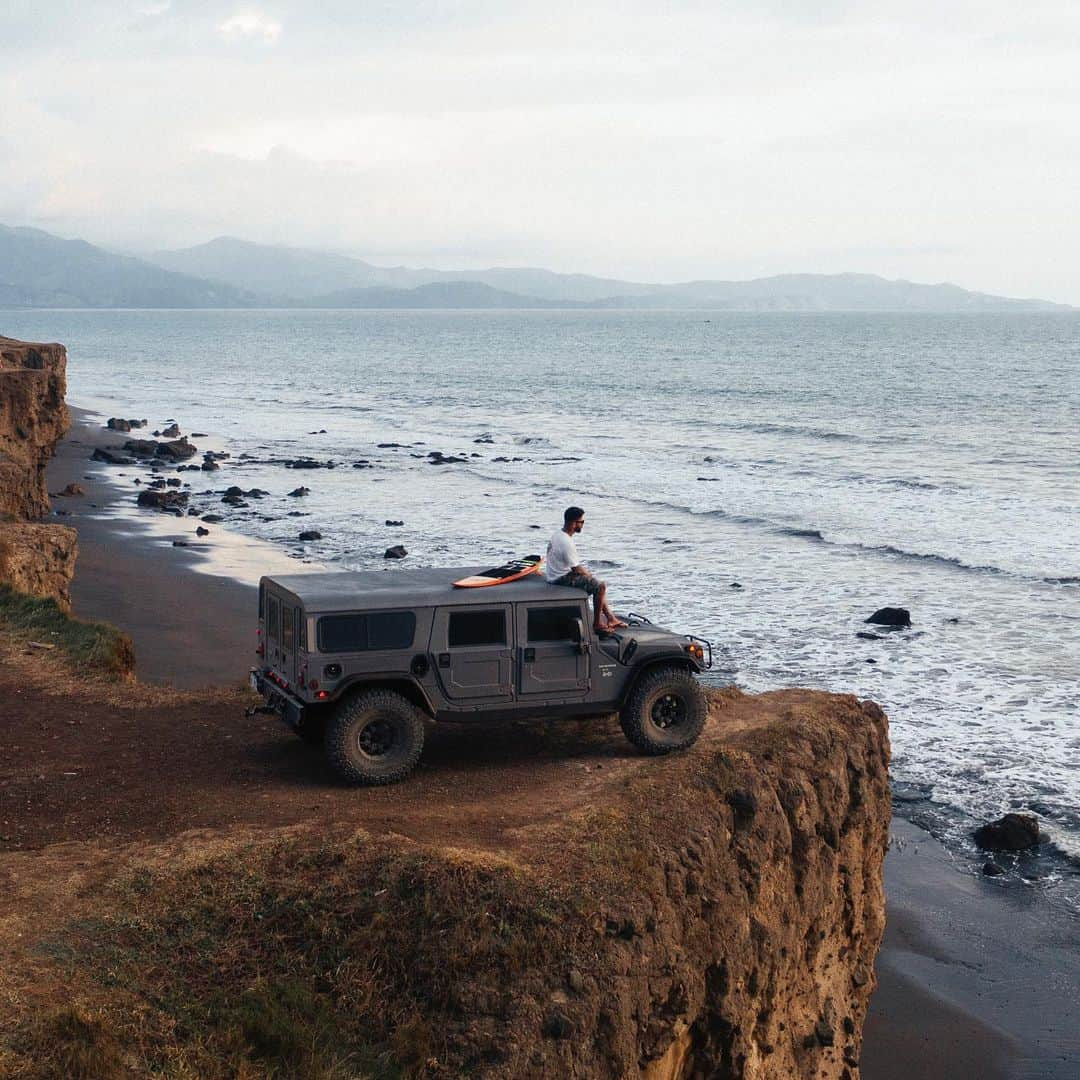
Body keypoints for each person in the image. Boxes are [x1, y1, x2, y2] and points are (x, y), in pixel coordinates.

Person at [544, 506, 626, 630]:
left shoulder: (558, 534)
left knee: (595, 583)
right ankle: (597, 623)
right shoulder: (566, 542)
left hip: (554, 573)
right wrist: (589, 575)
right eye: (581, 522)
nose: (582, 525)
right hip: (559, 578)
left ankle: (611, 618)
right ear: (573, 523)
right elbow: (576, 569)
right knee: (600, 586)